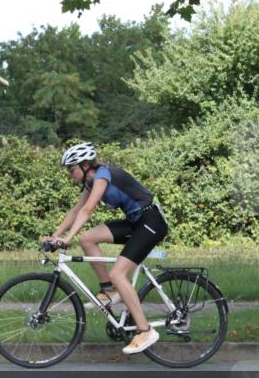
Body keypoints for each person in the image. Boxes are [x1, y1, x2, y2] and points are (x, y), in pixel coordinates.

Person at [40, 142, 169, 354]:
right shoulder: (90, 183)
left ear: (85, 165)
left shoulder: (103, 175)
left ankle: (145, 330)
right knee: (88, 239)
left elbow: (88, 210)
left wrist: (67, 239)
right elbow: (77, 210)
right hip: (135, 222)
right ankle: (109, 291)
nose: (69, 174)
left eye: (71, 169)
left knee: (119, 274)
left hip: (151, 221)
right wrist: (56, 236)